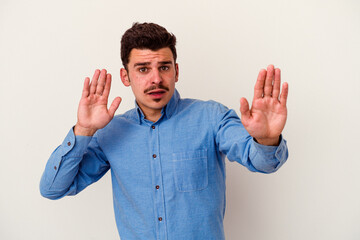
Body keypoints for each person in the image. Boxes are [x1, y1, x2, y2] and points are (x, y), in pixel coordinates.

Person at [40, 22, 289, 240]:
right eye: (143, 69)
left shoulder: (212, 118)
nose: (156, 79)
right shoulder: (110, 133)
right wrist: (84, 129)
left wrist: (266, 138)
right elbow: (53, 189)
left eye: (164, 67)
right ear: (125, 77)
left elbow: (263, 162)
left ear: (176, 71)